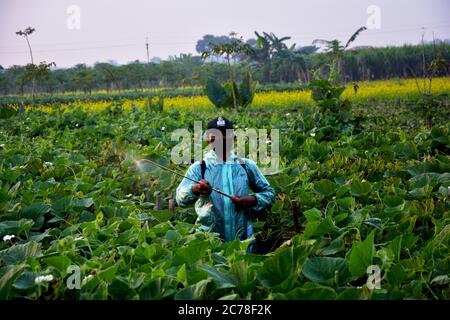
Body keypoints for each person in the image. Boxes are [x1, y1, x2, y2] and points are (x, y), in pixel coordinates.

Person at [176, 116, 276, 250]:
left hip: (243, 243)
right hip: (209, 244)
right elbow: (180, 199)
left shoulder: (246, 165)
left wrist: (253, 200)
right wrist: (195, 189)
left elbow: (269, 193)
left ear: (233, 138)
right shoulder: (199, 167)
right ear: (209, 140)